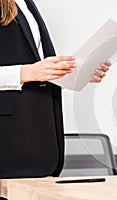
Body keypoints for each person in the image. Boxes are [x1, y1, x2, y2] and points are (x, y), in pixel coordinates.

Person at [0, 0, 110, 178]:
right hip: (8, 145)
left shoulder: (26, 3)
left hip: (41, 145)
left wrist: (73, 74)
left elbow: (38, 72)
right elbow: (31, 72)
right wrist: (27, 72)